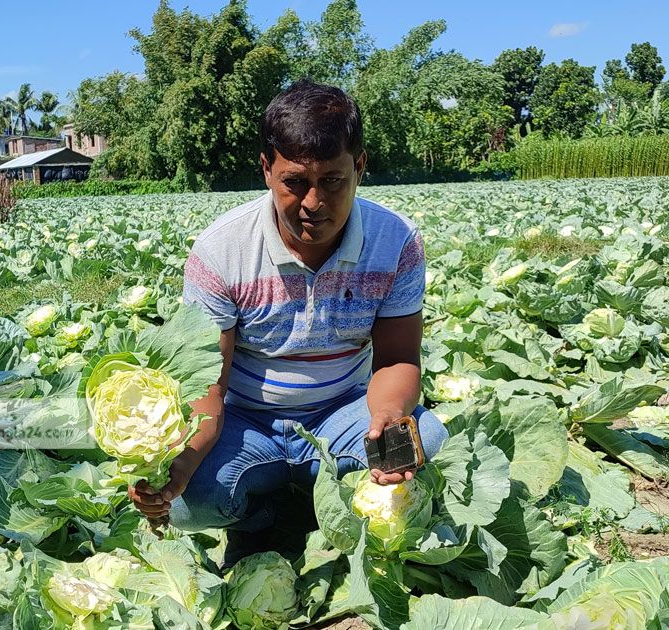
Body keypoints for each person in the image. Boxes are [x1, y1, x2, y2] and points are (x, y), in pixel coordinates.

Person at [128, 79, 447, 565]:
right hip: (244, 418)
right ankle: (260, 516)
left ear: (359, 167)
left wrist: (387, 416)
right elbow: (208, 386)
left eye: (333, 181)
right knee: (190, 504)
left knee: (427, 445)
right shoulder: (221, 252)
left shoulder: (396, 241)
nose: (314, 203)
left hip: (342, 410)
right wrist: (182, 463)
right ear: (266, 169)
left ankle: (309, 495)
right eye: (294, 182)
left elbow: (398, 358)